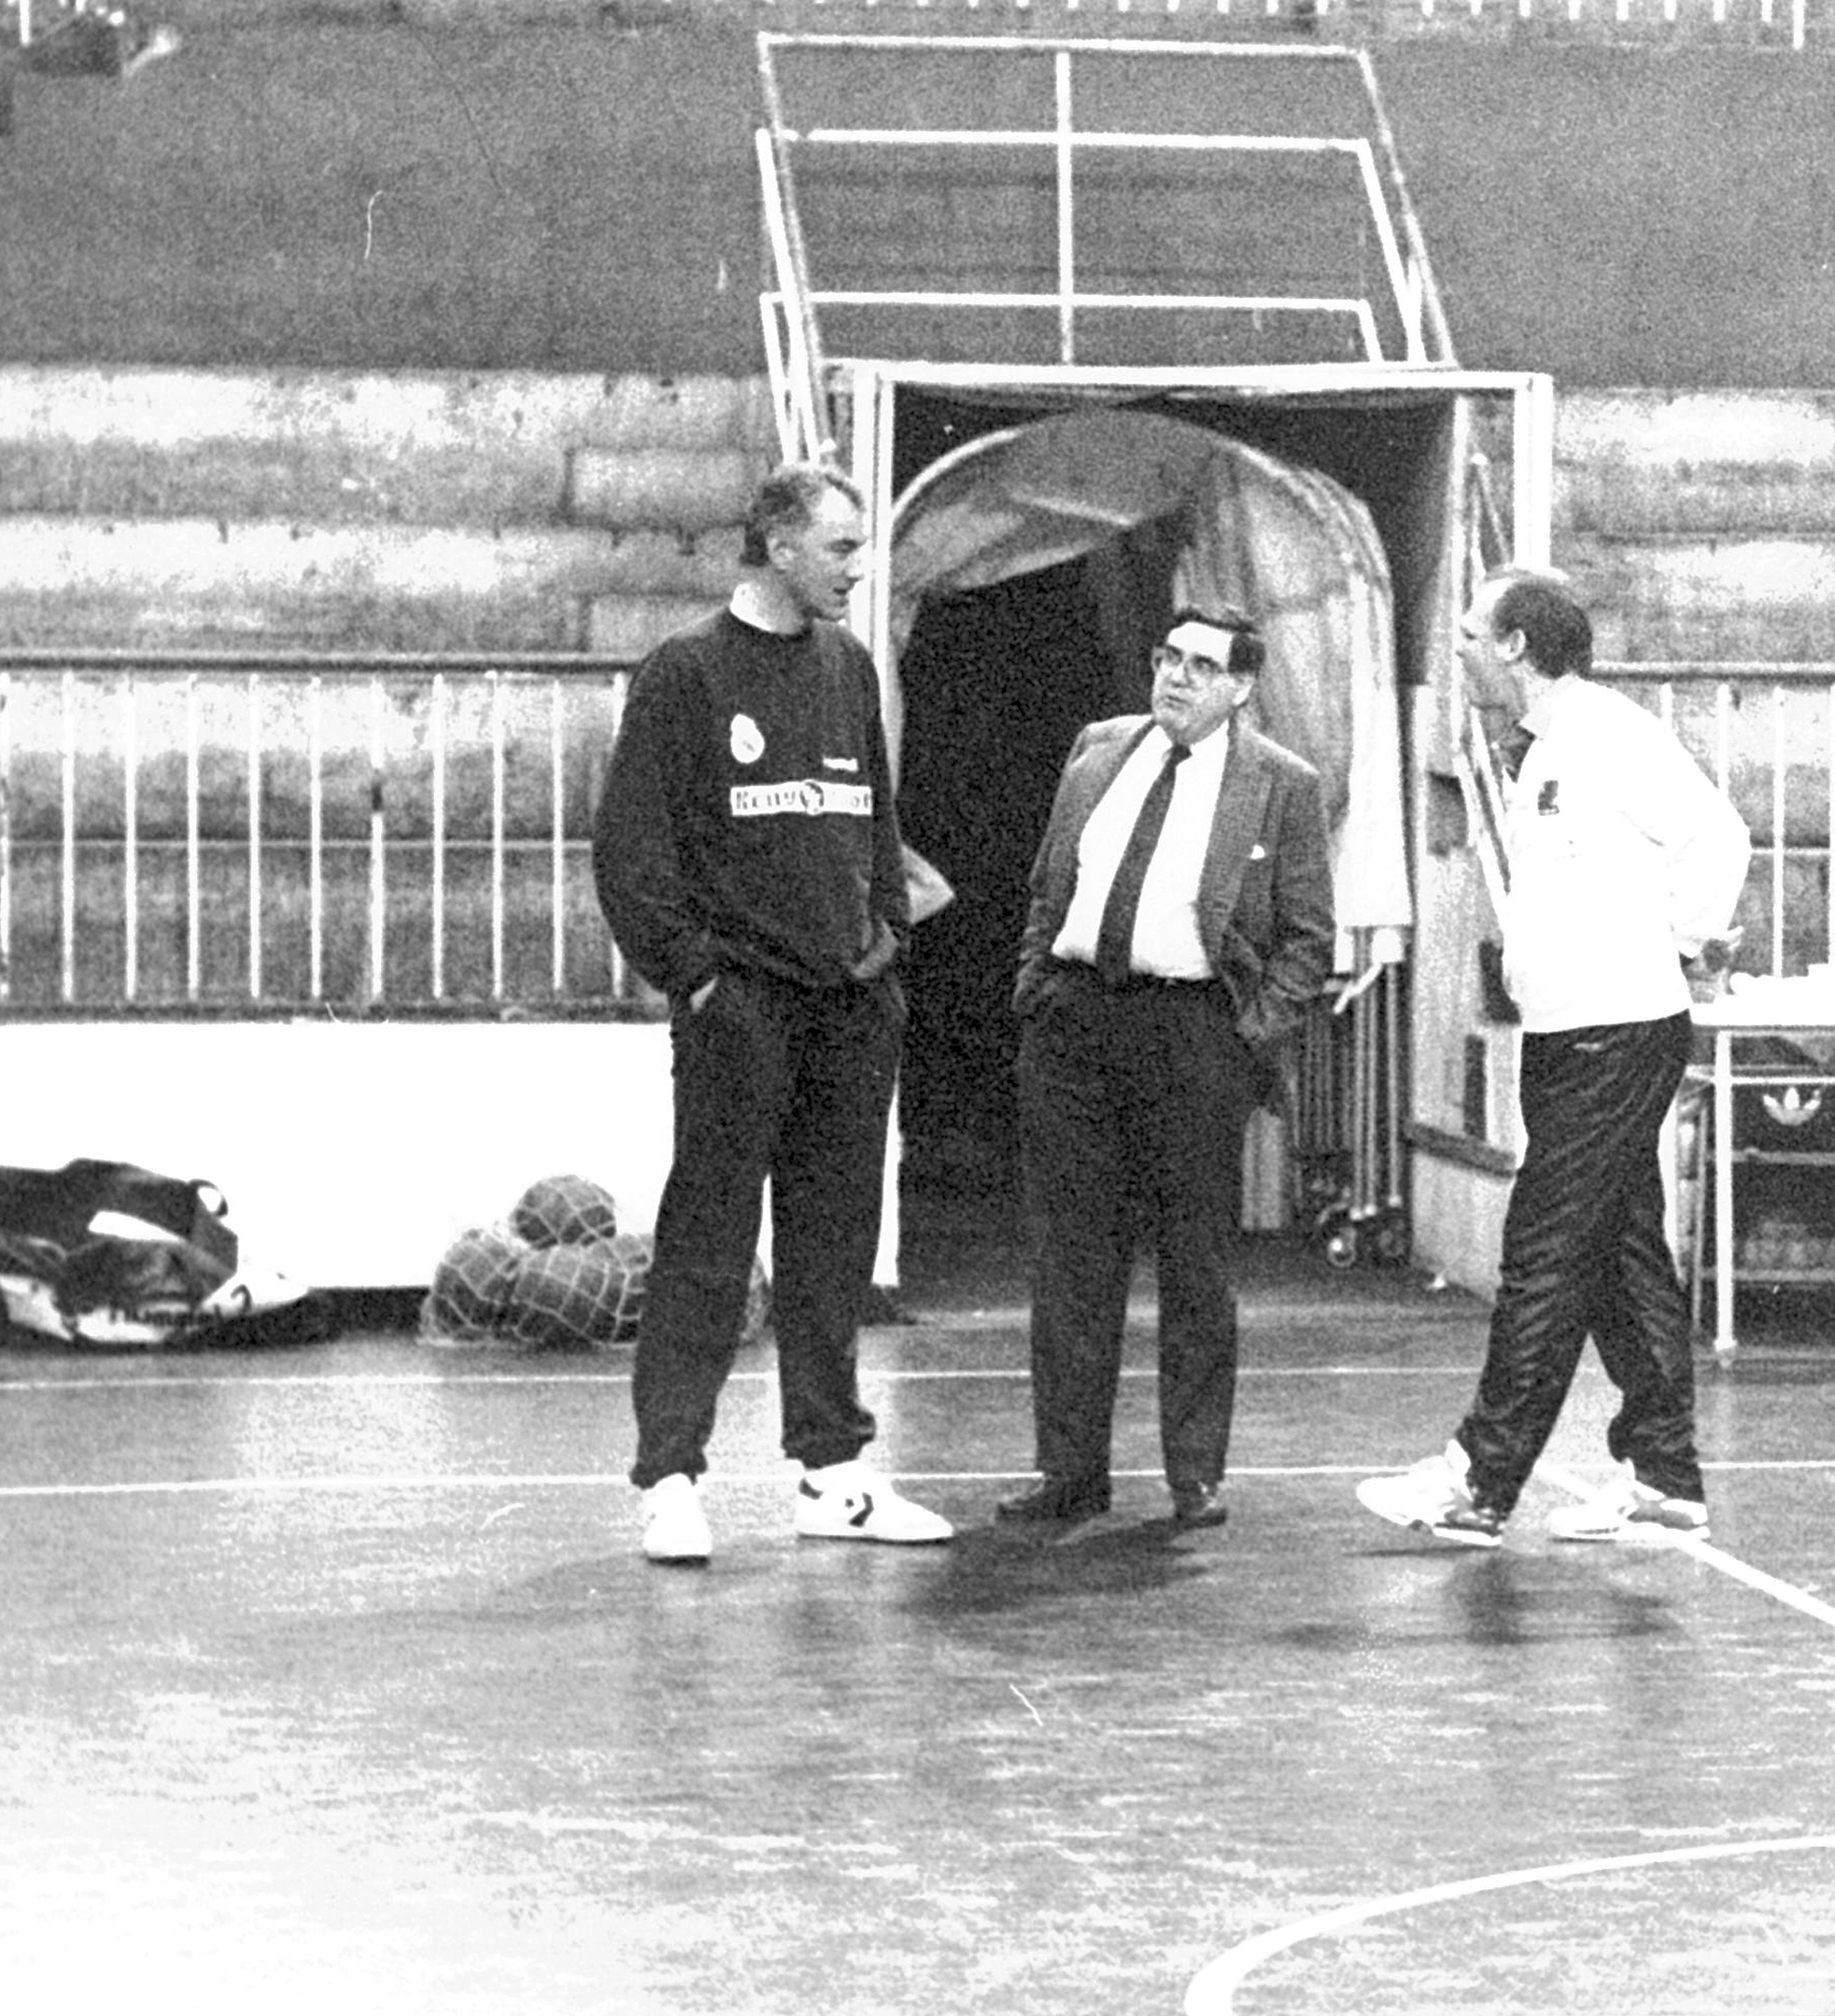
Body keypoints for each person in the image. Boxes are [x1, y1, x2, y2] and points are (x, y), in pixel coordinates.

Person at [593, 463, 953, 1566]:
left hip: (851, 1006)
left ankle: (832, 1473)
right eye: (842, 548)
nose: (859, 568)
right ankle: (670, 1478)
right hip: (741, 1007)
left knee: (835, 1242)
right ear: (781, 546)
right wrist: (699, 978)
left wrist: (884, 949)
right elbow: (630, 854)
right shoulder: (686, 673)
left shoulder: (849, 669)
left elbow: (877, 828)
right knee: (709, 1240)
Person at [1355, 568, 1750, 1547]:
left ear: (1517, 645)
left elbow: (1719, 836)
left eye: (1470, 633)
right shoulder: (1544, 746)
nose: (1459, 649)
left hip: (1617, 1030)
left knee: (1544, 1252)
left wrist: (1683, 945)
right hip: (1570, 1033)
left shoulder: (1610, 735)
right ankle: (1663, 1476)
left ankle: (1480, 1480)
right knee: (1620, 1252)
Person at [996, 608, 1334, 1532]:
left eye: (1201, 666)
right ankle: (1070, 1473)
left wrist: (1247, 1037)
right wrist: (1037, 989)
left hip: (1193, 1035)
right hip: (1074, 1024)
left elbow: (1309, 937)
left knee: (1195, 1265)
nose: (1176, 677)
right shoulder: (1099, 749)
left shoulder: (1281, 784)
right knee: (1071, 1260)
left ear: (1241, 686)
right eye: (1168, 657)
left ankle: (1194, 1476)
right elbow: (1049, 886)